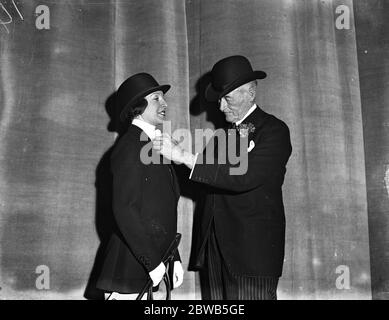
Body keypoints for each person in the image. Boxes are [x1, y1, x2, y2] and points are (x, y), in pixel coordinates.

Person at [153, 55, 292, 300]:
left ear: (250, 93)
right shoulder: (221, 138)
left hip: (252, 255)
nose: (220, 107)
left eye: (227, 98)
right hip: (215, 253)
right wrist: (173, 158)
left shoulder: (274, 130)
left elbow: (244, 177)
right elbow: (203, 180)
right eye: (220, 99)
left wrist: (184, 155)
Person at [96, 73, 184, 300]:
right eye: (156, 98)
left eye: (163, 98)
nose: (164, 103)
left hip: (144, 269)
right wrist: (154, 263)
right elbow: (125, 210)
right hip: (128, 270)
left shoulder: (155, 145)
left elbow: (158, 214)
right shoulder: (129, 146)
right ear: (137, 105)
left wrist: (172, 259)